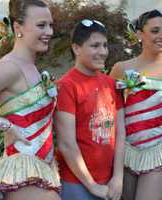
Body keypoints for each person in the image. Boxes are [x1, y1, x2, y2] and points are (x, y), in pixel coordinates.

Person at [0, 0, 61, 200]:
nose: (49, 32)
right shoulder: (9, 67)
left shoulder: (31, 67)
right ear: (18, 27)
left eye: (50, 25)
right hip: (22, 169)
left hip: (44, 168)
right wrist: (5, 125)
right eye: (41, 25)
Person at [54, 19, 125, 200]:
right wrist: (92, 185)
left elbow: (120, 133)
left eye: (104, 45)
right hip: (76, 183)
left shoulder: (111, 84)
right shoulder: (66, 86)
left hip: (109, 183)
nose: (102, 52)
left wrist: (118, 177)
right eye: (94, 46)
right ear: (77, 48)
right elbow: (66, 144)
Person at [110, 9, 162, 200]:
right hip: (126, 153)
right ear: (139, 34)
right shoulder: (122, 68)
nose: (161, 36)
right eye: (155, 31)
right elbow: (106, 108)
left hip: (158, 152)